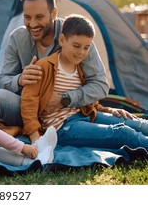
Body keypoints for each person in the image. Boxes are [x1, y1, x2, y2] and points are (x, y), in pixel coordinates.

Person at [0, 0, 110, 132]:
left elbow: (100, 85)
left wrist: (64, 99)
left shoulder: (73, 37)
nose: (33, 24)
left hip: (44, 109)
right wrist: (20, 79)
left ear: (53, 13)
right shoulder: (17, 38)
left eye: (39, 17)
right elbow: (4, 79)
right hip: (25, 101)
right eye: (27, 17)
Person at [21, 14, 148, 149]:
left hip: (87, 114)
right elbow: (28, 101)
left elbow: (87, 101)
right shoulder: (44, 66)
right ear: (62, 40)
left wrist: (108, 110)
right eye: (76, 46)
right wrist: (35, 136)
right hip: (64, 127)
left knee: (133, 122)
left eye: (86, 47)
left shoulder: (80, 67)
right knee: (123, 133)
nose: (81, 52)